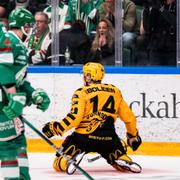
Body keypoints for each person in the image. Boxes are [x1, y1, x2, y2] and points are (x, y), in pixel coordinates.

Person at [42, 62, 142, 173]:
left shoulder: (82, 92)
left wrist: (56, 128)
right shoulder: (115, 91)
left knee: (58, 163)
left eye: (85, 74)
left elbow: (75, 118)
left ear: (89, 76)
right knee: (116, 152)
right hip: (109, 137)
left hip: (84, 137)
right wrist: (133, 136)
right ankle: (122, 159)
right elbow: (129, 118)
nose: (84, 77)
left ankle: (68, 160)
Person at [0, 8, 50, 179]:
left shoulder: (19, 45)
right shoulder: (8, 40)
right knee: (8, 146)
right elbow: (2, 69)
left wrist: (33, 94)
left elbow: (18, 79)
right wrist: (14, 97)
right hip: (3, 106)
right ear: (24, 26)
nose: (31, 29)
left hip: (8, 105)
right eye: (30, 25)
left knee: (19, 142)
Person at [134, 0, 176, 66]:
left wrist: (161, 9)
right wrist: (146, 10)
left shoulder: (177, 5)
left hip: (173, 47)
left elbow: (176, 22)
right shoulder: (158, 4)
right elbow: (147, 28)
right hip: (156, 47)